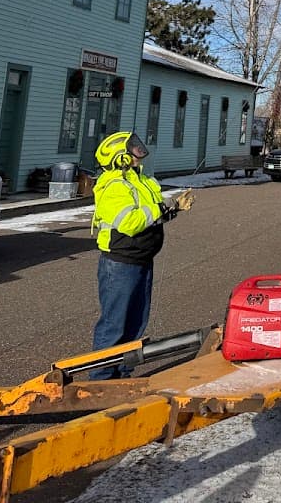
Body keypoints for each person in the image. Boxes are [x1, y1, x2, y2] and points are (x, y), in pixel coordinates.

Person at [89, 130, 180, 379]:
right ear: (120, 155)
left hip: (141, 258)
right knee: (114, 325)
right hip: (120, 263)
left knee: (135, 324)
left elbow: (150, 211)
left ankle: (121, 375)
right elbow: (130, 222)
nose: (139, 154)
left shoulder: (137, 180)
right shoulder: (113, 185)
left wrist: (170, 209)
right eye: (134, 149)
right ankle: (101, 383)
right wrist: (159, 209)